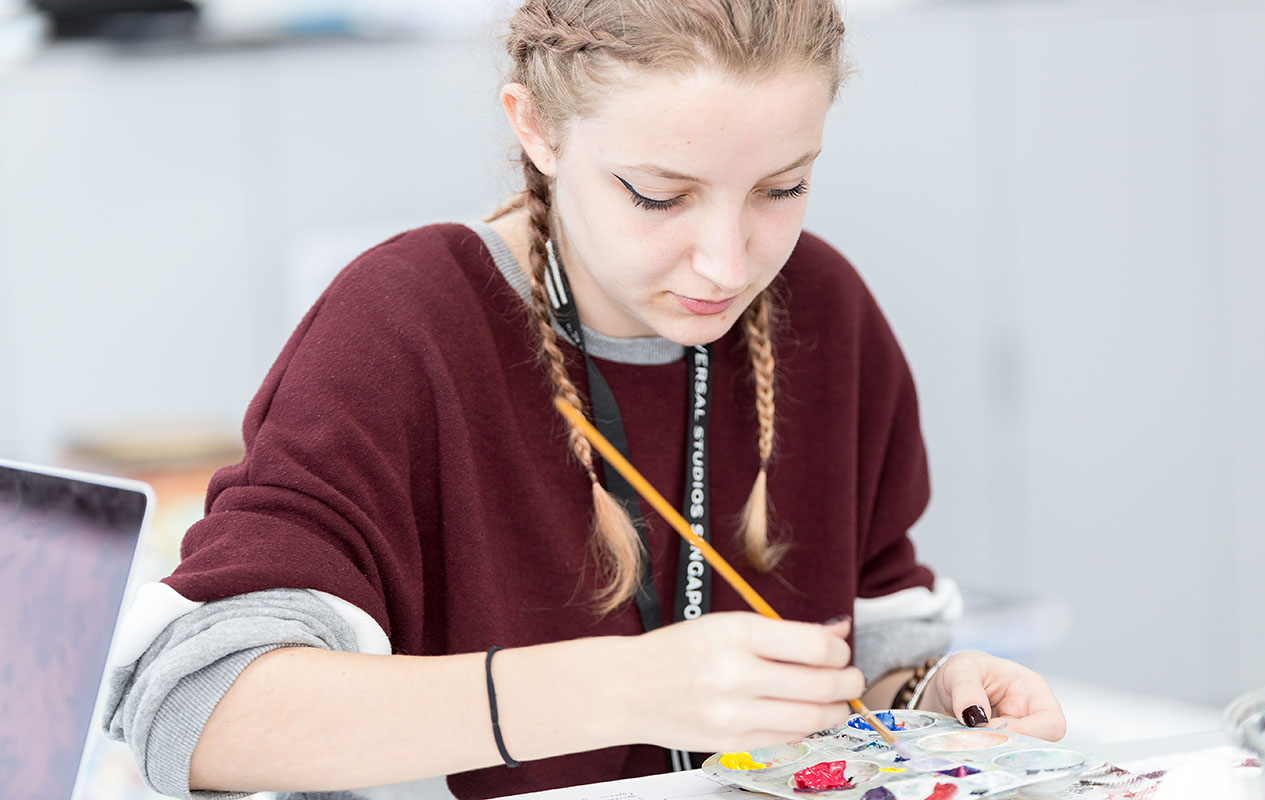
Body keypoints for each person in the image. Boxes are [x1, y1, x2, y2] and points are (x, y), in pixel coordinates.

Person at [104, 2, 1066, 798]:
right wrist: (625, 690)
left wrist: (933, 702)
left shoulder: (825, 308)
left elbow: (875, 636)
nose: (728, 264)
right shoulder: (403, 325)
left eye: (784, 187)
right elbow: (197, 709)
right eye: (657, 195)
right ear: (537, 127)